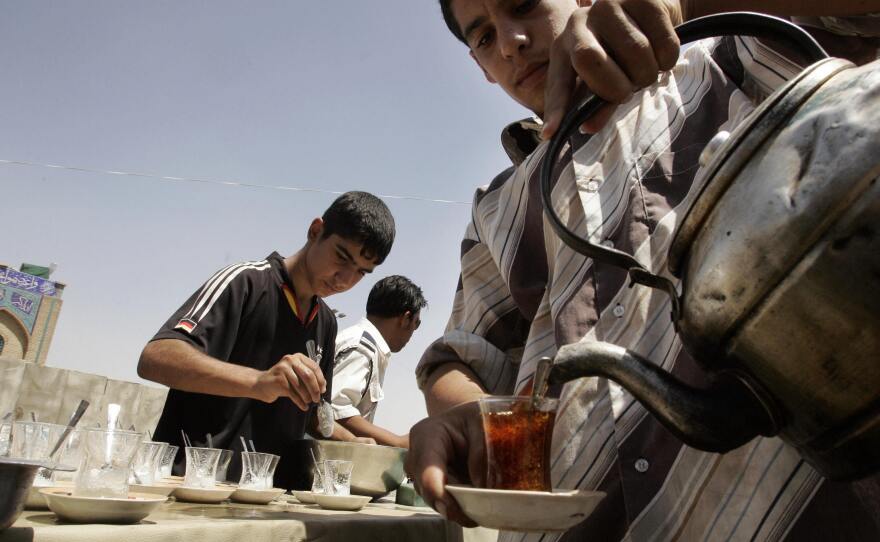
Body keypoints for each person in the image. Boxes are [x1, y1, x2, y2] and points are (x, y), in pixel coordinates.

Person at [406, 1, 880, 541]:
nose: (512, 40)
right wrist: (469, 417)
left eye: (525, 5)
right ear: (481, 68)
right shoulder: (499, 207)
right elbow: (459, 356)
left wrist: (690, 4)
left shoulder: (726, 56)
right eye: (485, 38)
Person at [138, 191, 395, 489]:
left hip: (263, 495)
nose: (345, 279)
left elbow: (314, 414)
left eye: (361, 272)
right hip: (189, 487)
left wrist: (353, 443)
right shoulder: (246, 282)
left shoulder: (326, 323)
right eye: (341, 256)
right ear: (315, 231)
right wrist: (259, 382)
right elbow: (155, 357)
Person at [329, 275, 427, 448]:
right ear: (405, 319)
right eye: (416, 324)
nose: (413, 332)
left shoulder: (364, 343)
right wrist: (398, 442)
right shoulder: (363, 348)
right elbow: (335, 409)